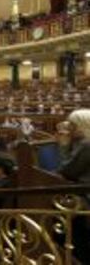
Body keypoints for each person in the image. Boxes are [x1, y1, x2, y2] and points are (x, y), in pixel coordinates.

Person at [56, 109, 90, 263]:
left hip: (84, 195)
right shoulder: (82, 142)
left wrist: (63, 145)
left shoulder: (86, 145)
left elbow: (67, 171)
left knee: (58, 218)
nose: (68, 129)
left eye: (72, 125)